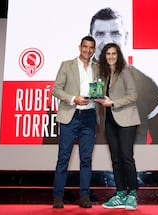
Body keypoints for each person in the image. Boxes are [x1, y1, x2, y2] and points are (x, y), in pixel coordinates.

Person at [89, 7, 158, 144]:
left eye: (115, 33)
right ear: (91, 39)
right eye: (100, 34)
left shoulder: (148, 86)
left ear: (126, 37)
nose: (108, 40)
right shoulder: (76, 80)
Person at [51, 35, 99, 209]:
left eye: (91, 47)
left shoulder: (98, 68)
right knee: (63, 157)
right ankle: (58, 196)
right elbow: (56, 89)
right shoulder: (67, 65)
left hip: (89, 117)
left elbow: (100, 89)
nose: (88, 50)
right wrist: (73, 99)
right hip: (70, 116)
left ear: (94, 49)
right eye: (85, 47)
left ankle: (84, 196)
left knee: (86, 159)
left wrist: (99, 97)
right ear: (80, 47)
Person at [95, 43, 140, 210]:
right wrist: (99, 98)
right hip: (110, 121)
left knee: (126, 157)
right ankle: (120, 193)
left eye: (114, 53)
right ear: (104, 56)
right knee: (115, 158)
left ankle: (133, 194)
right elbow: (106, 96)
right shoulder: (106, 74)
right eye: (108, 54)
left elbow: (133, 95)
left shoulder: (126, 71)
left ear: (118, 55)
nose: (111, 56)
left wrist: (113, 102)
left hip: (127, 120)